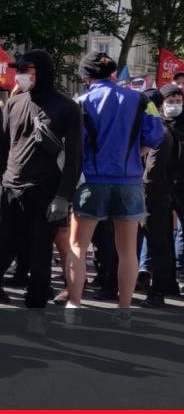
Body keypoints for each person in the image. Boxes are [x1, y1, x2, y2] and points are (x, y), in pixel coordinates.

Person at [0, 50, 82, 310]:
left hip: (46, 193)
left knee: (39, 258)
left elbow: (75, 157)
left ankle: (35, 315)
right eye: (18, 69)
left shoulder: (67, 107)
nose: (20, 75)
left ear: (42, 72)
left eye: (27, 70)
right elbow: (3, 145)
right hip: (10, 190)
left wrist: (63, 197)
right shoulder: (13, 103)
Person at [66, 52, 163, 315]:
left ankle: (74, 303)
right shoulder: (141, 99)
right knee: (128, 249)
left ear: (85, 77)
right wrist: (136, 155)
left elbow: (74, 144)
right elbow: (156, 134)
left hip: (92, 181)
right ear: (112, 74)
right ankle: (124, 308)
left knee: (78, 246)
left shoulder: (80, 102)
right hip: (129, 181)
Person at [142, 83, 183, 307]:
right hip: (164, 189)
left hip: (157, 192)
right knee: (163, 239)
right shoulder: (163, 129)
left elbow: (152, 171)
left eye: (178, 101)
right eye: (170, 101)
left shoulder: (160, 132)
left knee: (158, 240)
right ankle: (165, 284)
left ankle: (157, 291)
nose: (175, 105)